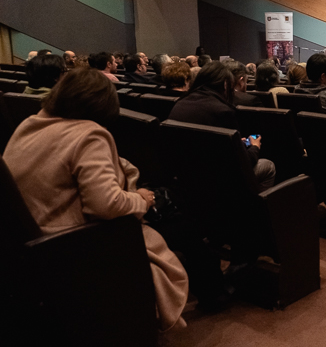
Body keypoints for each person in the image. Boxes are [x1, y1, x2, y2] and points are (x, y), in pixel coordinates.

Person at [3, 68, 188, 331]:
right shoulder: (90, 134)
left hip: (28, 243)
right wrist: (141, 200)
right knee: (178, 222)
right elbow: (106, 205)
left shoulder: (29, 124)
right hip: (77, 245)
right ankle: (196, 301)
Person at [168, 62, 275, 190]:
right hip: (217, 182)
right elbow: (241, 163)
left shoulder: (180, 103)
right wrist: (255, 147)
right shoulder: (223, 112)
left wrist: (236, 143)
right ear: (225, 84)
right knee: (268, 166)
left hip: (186, 177)